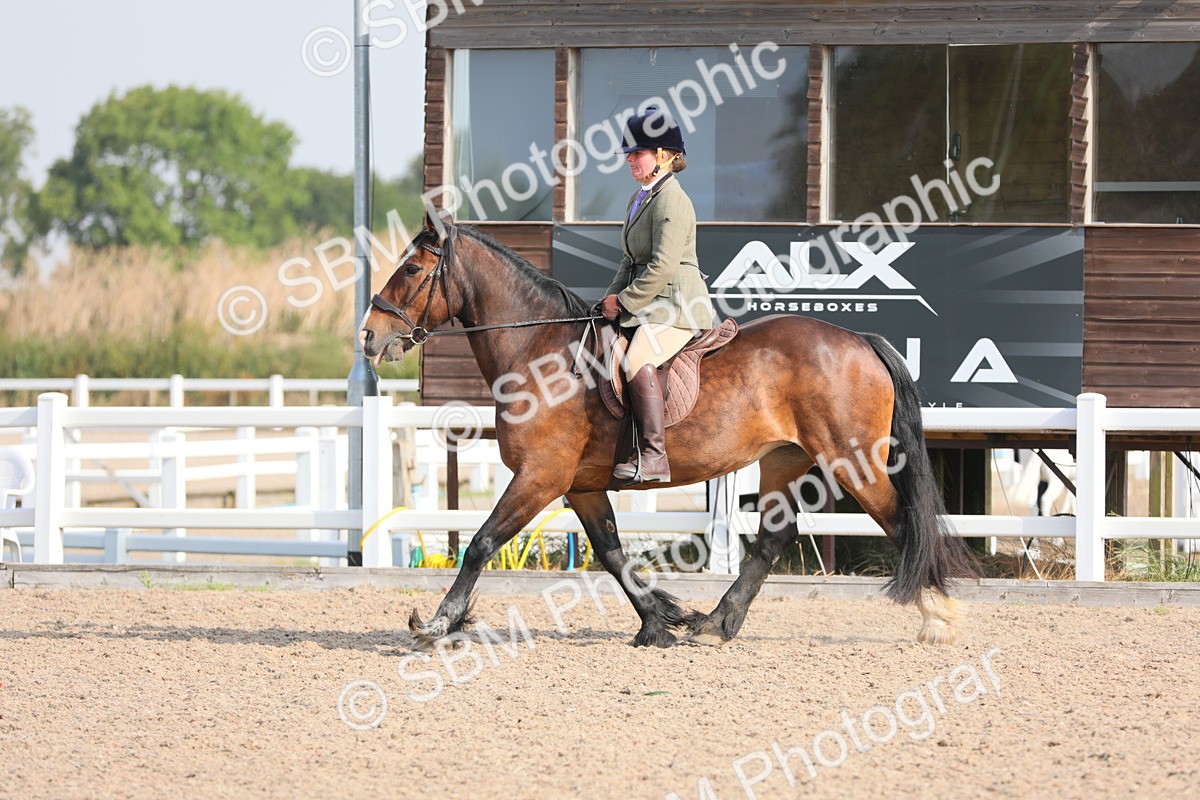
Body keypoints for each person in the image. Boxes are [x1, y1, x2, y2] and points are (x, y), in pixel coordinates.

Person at [599, 106, 716, 483]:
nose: (630, 160)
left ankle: (654, 457)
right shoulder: (640, 198)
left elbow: (663, 266)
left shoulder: (671, 199)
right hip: (652, 304)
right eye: (629, 154)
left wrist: (627, 302)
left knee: (637, 359)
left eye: (638, 153)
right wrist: (610, 297)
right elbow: (629, 260)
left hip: (678, 305)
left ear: (664, 155)